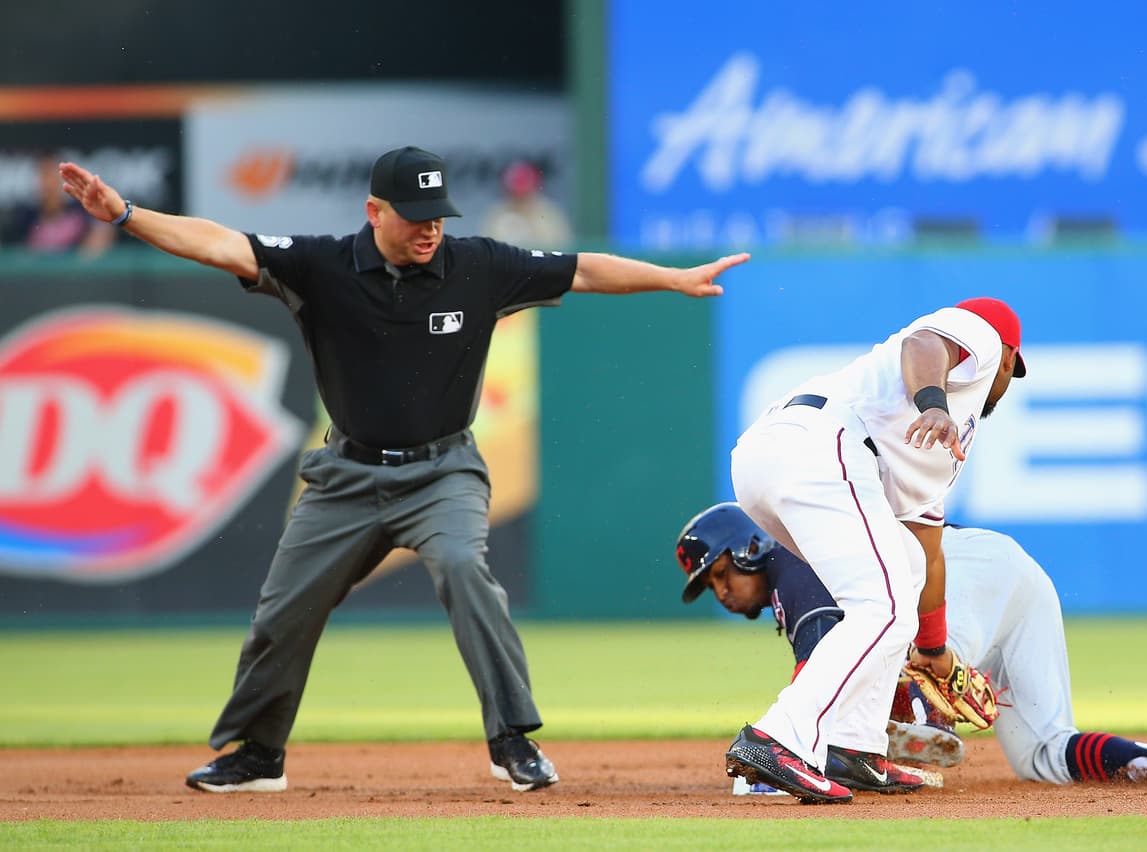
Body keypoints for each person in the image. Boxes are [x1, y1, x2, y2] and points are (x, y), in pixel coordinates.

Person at [58, 146, 748, 795]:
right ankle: (258, 755)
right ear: (374, 212)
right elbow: (220, 244)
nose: (430, 231)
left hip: (441, 471)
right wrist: (125, 216)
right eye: (416, 218)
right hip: (346, 478)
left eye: (439, 217)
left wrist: (672, 278)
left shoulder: (478, 265)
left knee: (462, 567)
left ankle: (512, 739)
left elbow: (583, 269)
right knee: (282, 611)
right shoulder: (320, 265)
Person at [676, 503, 1147, 792]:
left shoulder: (790, 567)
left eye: (720, 573)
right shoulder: (798, 565)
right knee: (1044, 753)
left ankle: (925, 724)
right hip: (1011, 577)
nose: (721, 592)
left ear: (749, 549)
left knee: (911, 654)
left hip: (959, 570)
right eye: (711, 587)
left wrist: (785, 754)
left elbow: (817, 671)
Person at [720, 297, 1026, 804]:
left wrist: (933, 651)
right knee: (880, 607)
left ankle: (852, 748)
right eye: (1012, 372)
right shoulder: (984, 340)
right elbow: (923, 343)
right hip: (821, 443)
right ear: (1010, 357)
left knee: (898, 574)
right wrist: (933, 402)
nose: (1006, 383)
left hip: (775, 461)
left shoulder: (940, 452)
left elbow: (924, 554)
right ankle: (777, 738)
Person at [3, 152, 114, 257]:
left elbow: (103, 231)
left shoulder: (80, 209)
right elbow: (17, 255)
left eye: (52, 175)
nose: (48, 183)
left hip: (76, 275)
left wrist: (80, 261)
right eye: (43, 175)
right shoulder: (26, 216)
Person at [478, 159, 572, 249]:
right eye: (515, 193)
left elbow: (560, 248)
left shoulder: (547, 212)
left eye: (524, 192)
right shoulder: (498, 214)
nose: (520, 198)